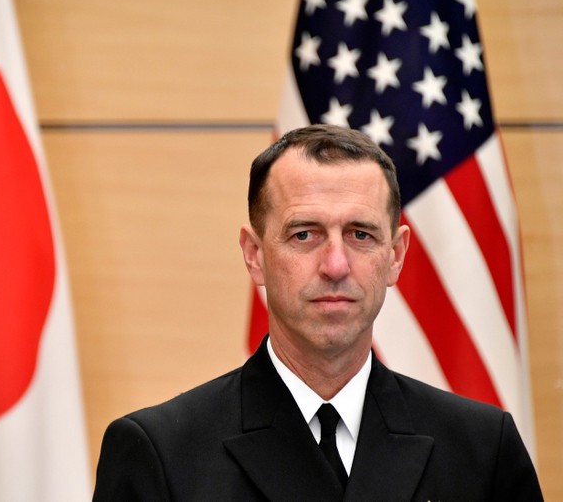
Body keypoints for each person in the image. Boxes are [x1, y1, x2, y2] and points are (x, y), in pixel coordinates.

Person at [92, 124, 543, 501]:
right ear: (254, 255)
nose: (335, 265)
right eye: (305, 234)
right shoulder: (160, 453)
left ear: (397, 255)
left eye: (361, 234)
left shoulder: (483, 450)